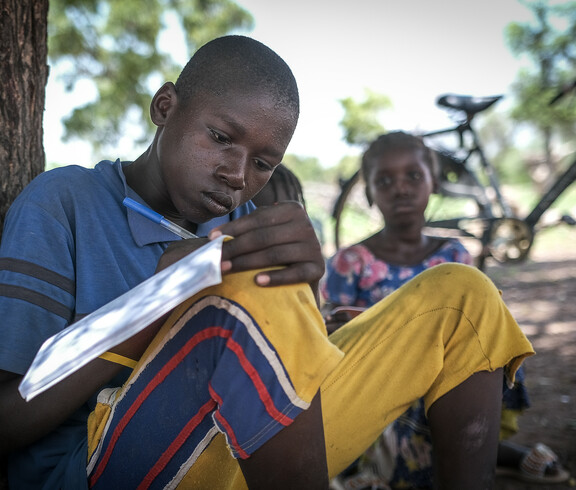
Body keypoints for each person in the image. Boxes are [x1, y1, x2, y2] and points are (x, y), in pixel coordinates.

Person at [0, 36, 534, 490]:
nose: (237, 173)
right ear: (165, 107)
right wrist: (156, 302)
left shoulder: (246, 224)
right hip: (91, 468)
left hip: (245, 450)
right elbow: (7, 421)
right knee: (251, 280)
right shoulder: (65, 202)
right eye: (221, 138)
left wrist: (316, 326)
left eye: (262, 163)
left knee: (462, 297)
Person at [322, 131, 569, 488]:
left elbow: (470, 325)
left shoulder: (454, 256)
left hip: (445, 374)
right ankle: (399, 463)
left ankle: (474, 452)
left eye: (413, 176)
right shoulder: (350, 262)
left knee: (486, 335)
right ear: (370, 195)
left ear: (434, 183)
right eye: (385, 180)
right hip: (384, 383)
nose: (400, 188)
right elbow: (333, 336)